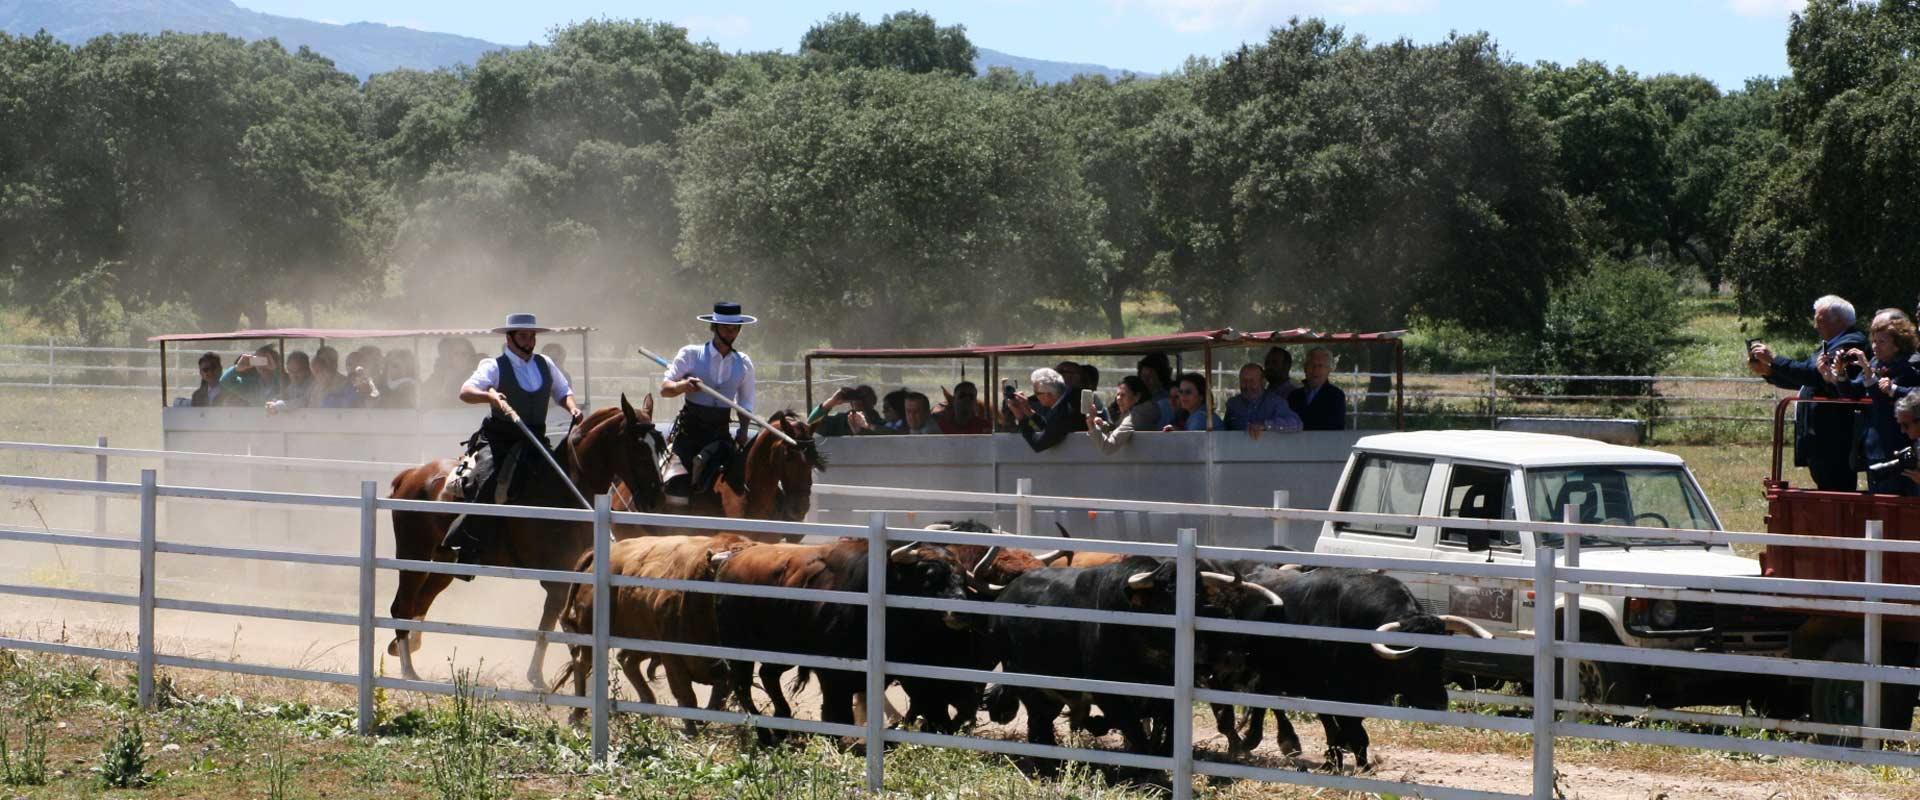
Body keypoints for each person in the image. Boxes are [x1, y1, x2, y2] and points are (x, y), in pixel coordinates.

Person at [445, 313, 583, 555]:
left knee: (562, 480)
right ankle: (463, 543)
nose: (529, 341)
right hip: (501, 439)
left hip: (536, 439)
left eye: (532, 336)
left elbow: (562, 391)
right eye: (523, 336)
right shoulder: (494, 365)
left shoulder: (545, 364)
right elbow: (466, 391)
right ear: (509, 338)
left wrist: (572, 407)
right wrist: (489, 396)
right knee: (489, 481)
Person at [1749, 294, 1868, 491]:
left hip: (1835, 438)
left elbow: (1813, 375)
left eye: (1819, 320)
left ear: (1839, 321)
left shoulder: (1850, 343)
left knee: (1836, 494)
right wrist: (1769, 372)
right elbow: (1806, 379)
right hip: (1823, 439)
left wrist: (1774, 359)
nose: (1815, 326)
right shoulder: (1830, 344)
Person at [661, 301, 757, 496]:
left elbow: (745, 403)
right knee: (675, 488)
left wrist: (744, 429)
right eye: (725, 328)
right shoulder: (690, 354)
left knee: (745, 484)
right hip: (689, 435)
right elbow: (665, 388)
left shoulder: (744, 363)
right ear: (714, 328)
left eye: (735, 329)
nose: (730, 333)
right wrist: (683, 386)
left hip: (720, 436)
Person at [1832, 310, 1920, 495]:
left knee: (1898, 505)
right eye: (1874, 341)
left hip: (1897, 445)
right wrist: (1841, 374)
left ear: (1897, 345)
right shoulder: (1874, 362)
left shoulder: (1907, 369)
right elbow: (1852, 392)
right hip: (1873, 445)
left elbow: (1881, 398)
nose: (1875, 346)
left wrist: (1868, 372)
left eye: (1882, 342)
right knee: (1877, 505)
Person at [1007, 367, 1086, 452]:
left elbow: (1038, 444)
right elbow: (1048, 428)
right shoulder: (1063, 404)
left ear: (1048, 394)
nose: (1035, 397)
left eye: (1036, 393)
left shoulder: (1063, 412)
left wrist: (1021, 418)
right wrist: (1029, 412)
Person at [1224, 363, 1302, 439]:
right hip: (1238, 450)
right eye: (1244, 381)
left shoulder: (1275, 402)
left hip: (1268, 451)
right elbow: (1223, 431)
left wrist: (1265, 425)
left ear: (1263, 382)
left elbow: (1296, 424)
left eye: (1252, 381)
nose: (1247, 386)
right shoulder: (1233, 404)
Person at [1087, 376, 1161, 454]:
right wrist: (1105, 427)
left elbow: (1108, 447)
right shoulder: (1140, 414)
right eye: (1117, 395)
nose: (1118, 398)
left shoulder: (1134, 417)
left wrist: (1091, 424)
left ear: (1137, 397)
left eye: (1123, 395)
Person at [1289, 347, 1348, 431]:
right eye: (1312, 365)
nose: (1315, 370)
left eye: (1320, 366)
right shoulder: (1294, 395)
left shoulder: (1335, 396)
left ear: (1328, 370)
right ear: (1305, 368)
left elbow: (1336, 427)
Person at [218, 345, 283, 405]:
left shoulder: (284, 381)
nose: (262, 365)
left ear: (276, 363)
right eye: (258, 360)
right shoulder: (251, 385)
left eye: (266, 361)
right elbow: (225, 382)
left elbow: (285, 383)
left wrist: (275, 370)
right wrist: (237, 368)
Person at [809, 385, 882, 437]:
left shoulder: (882, 424)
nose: (860, 401)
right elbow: (812, 423)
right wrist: (832, 401)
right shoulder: (841, 421)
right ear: (851, 401)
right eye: (857, 396)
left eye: (865, 397)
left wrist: (866, 426)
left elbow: (890, 437)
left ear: (874, 401)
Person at [1137, 353, 1176, 424]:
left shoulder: (1166, 399)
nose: (1145, 380)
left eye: (1150, 377)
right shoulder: (1138, 394)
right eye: (1143, 376)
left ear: (1161, 378)